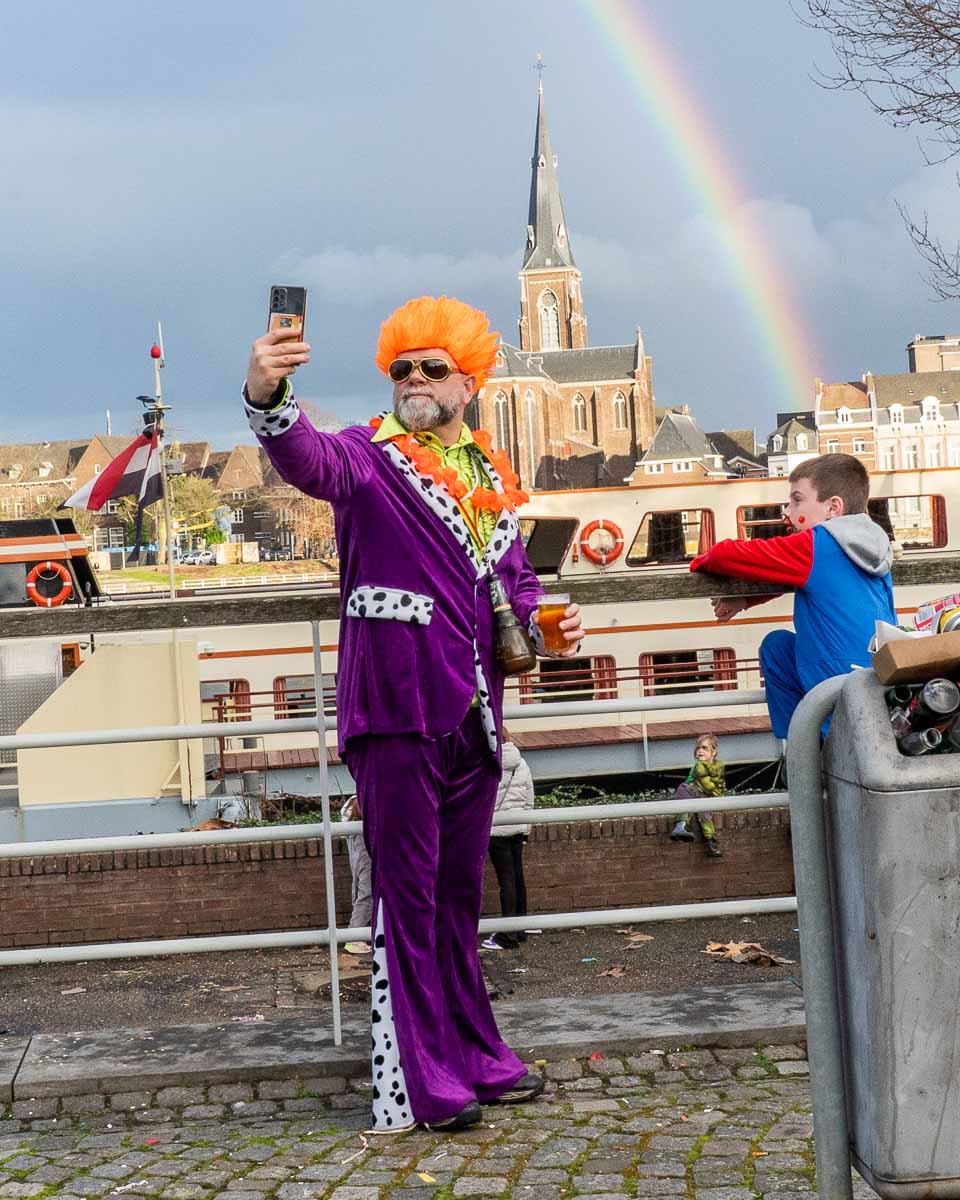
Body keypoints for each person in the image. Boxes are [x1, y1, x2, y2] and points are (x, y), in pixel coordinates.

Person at [243, 295, 584, 1133]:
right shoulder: (368, 457)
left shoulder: (481, 473)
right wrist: (265, 396)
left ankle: (475, 1054)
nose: (416, 381)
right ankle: (420, 1081)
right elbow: (306, 461)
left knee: (458, 895)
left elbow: (514, 582)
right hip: (394, 709)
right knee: (406, 896)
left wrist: (545, 622)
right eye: (403, 367)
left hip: (473, 714)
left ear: (468, 383)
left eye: (434, 368)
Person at [691, 453, 896, 740]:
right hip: (879, 671)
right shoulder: (873, 542)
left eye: (797, 500)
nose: (788, 511)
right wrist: (745, 600)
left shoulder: (818, 542)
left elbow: (725, 555)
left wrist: (698, 562)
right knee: (778, 646)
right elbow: (818, 580)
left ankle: (803, 750)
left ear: (832, 508)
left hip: (839, 682)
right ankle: (801, 745)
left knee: (775, 648)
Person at [482, 729, 534, 950]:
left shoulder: (489, 765)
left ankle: (508, 936)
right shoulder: (522, 763)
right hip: (518, 827)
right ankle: (520, 928)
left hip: (497, 830)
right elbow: (530, 797)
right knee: (517, 877)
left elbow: (484, 800)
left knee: (507, 881)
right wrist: (526, 829)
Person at [669, 733, 724, 858]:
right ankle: (680, 826)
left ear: (713, 752)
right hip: (693, 793)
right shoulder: (697, 766)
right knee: (684, 791)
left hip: (706, 796)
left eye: (704, 748)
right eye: (698, 748)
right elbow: (690, 781)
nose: (700, 751)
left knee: (704, 815)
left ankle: (710, 841)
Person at [341, 796, 372, 955]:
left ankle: (357, 935)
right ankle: (354, 937)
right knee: (367, 892)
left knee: (360, 887)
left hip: (356, 847)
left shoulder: (350, 804)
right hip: (366, 847)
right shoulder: (363, 801)